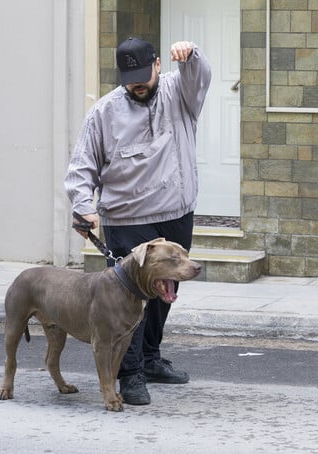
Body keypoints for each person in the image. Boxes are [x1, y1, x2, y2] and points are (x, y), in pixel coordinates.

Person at [64, 37, 211, 405]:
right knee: (125, 301)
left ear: (158, 65)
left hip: (175, 214)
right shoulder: (104, 112)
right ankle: (129, 374)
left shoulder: (181, 93)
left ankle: (150, 358)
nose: (137, 83)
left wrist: (191, 56)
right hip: (128, 220)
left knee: (164, 293)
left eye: (143, 75)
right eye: (130, 78)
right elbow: (82, 165)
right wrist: (83, 205)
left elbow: (200, 76)